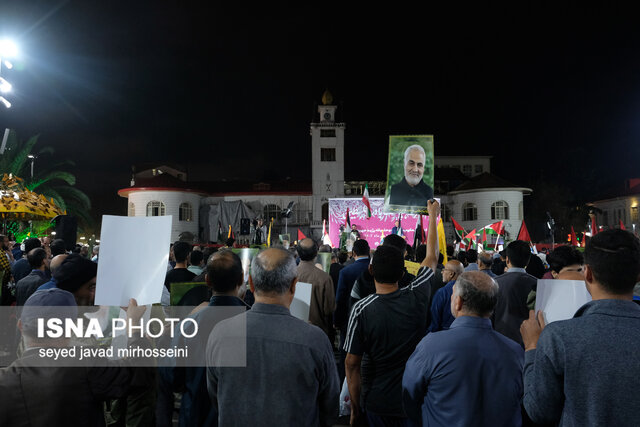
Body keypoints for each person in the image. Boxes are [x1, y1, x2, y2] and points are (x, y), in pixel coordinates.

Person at [206, 247, 339, 426]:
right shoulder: (314, 340)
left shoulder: (220, 334)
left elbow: (216, 396)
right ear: (294, 285)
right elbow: (329, 407)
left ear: (251, 284)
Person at [521, 229, 640, 426]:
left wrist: (533, 347)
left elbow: (539, 411)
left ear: (588, 273)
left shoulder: (558, 336)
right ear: (637, 275)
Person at [344, 200, 439, 426]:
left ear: (371, 270)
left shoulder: (361, 309)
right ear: (403, 271)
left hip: (378, 401)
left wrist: (355, 410)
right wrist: (433, 216)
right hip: (414, 398)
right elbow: (432, 258)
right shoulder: (417, 295)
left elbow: (351, 363)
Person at [0, 288, 151, 427]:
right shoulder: (85, 363)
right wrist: (134, 327)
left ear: (20, 326)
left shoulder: (5, 379)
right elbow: (140, 371)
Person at [403, 271, 524, 427]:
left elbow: (410, 397)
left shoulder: (430, 346)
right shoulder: (515, 351)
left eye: (453, 295)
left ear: (458, 302)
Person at [160, 249, 249, 427]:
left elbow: (171, 375)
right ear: (241, 280)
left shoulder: (189, 324)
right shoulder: (253, 324)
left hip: (195, 416)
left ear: (207, 280)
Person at [334, 239, 370, 381]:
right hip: (373, 320)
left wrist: (337, 321)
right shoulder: (375, 268)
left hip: (349, 322)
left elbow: (340, 299)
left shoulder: (346, 271)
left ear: (353, 253)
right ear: (368, 252)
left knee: (347, 356)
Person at [492, 240, 537, 346]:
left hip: (501, 341)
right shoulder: (537, 284)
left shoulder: (494, 284)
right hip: (530, 343)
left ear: (507, 259)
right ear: (528, 261)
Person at [296, 238, 335, 338]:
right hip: (318, 333)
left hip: (293, 332)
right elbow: (329, 309)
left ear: (298, 253)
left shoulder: (288, 275)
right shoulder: (324, 278)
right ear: (316, 253)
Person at [428, 259, 464, 332]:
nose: (442, 272)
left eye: (444, 269)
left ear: (451, 274)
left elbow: (435, 322)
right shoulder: (469, 291)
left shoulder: (442, 292)